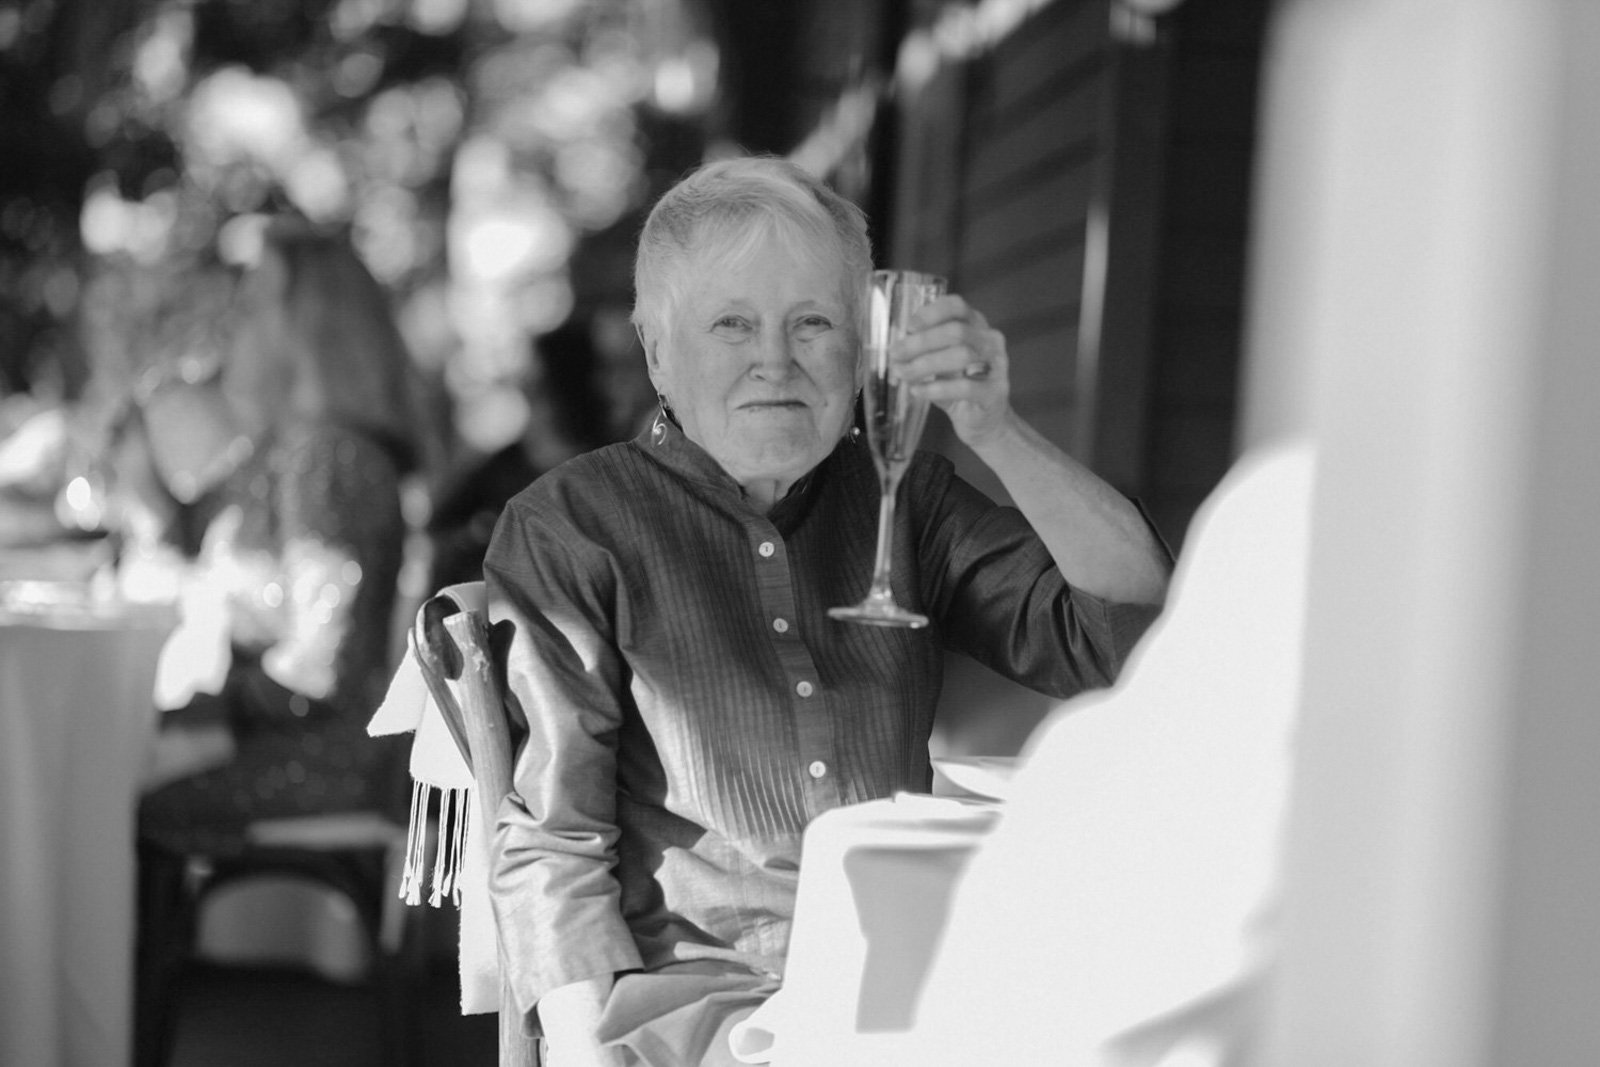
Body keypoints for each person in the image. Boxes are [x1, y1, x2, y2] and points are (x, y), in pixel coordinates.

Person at [482, 156, 1173, 1067]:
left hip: (906, 983)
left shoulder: (907, 500)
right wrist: (581, 1053)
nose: (776, 360)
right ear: (658, 351)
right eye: (734, 324)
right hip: (699, 1006)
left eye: (813, 323)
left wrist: (995, 429)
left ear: (862, 351)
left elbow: (1126, 633)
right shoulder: (573, 528)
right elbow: (554, 840)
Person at [135, 220, 421, 857]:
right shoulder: (295, 454)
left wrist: (204, 710)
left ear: (306, 326)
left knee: (111, 803)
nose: (236, 316)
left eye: (257, 297)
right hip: (285, 743)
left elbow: (321, 669)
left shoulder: (328, 458)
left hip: (319, 762)